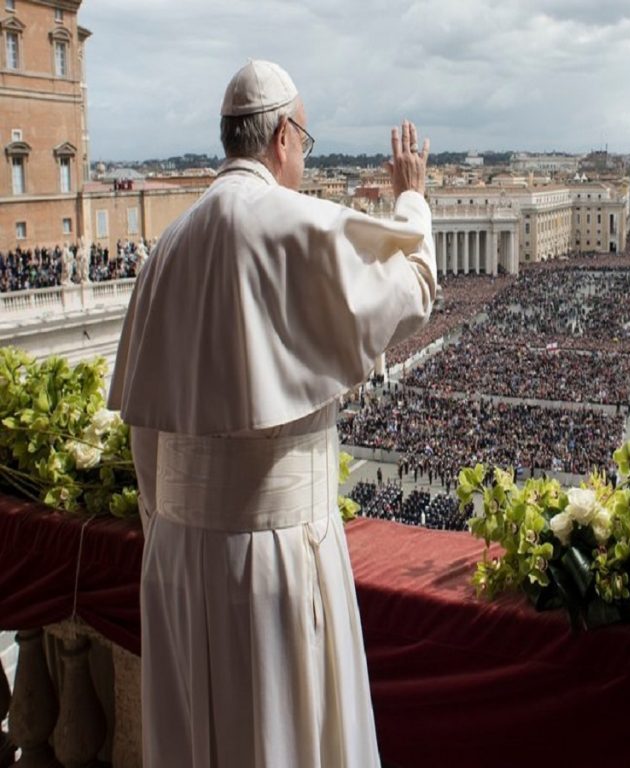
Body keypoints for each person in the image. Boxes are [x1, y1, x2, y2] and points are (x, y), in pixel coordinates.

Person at [108, 60, 436, 767]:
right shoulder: (294, 224)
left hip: (173, 556)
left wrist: (173, 531)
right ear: (284, 135)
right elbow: (409, 290)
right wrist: (414, 200)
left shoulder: (165, 248)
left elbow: (145, 434)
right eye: (307, 140)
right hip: (275, 555)